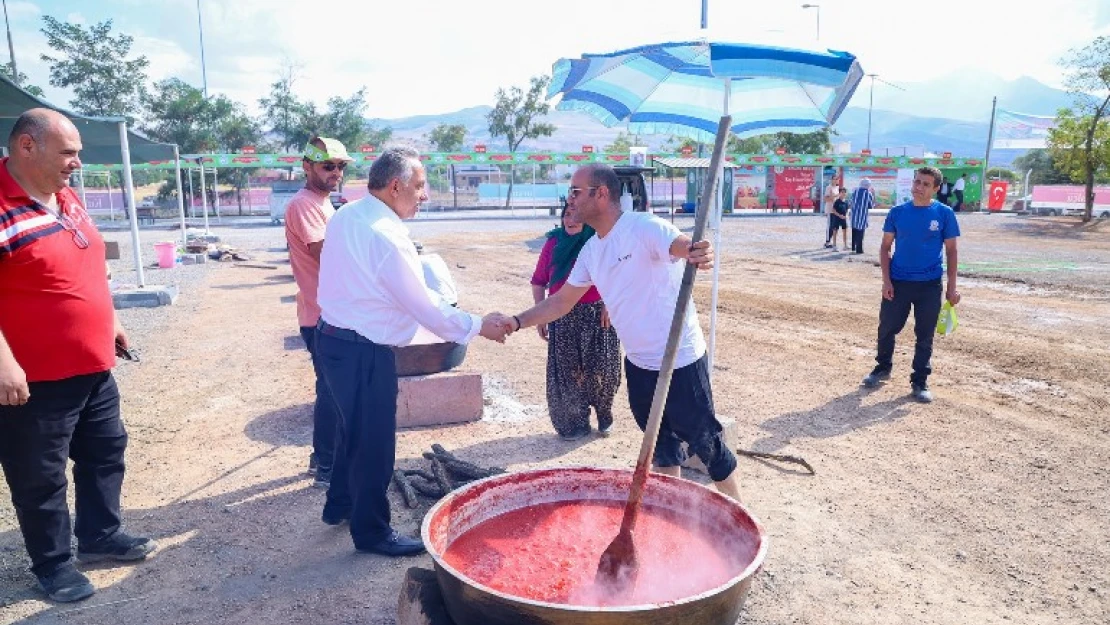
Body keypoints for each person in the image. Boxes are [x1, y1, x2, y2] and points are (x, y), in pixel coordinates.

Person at [502, 164, 743, 502]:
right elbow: (561, 302)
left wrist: (696, 251)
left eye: (575, 192)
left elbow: (679, 245)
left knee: (706, 442)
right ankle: (670, 508)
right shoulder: (592, 249)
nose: (569, 200)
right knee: (659, 444)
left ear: (601, 194)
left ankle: (741, 516)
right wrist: (516, 321)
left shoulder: (644, 227)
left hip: (680, 360)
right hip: (640, 363)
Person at [315, 146, 510, 556]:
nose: (425, 195)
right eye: (420, 187)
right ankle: (372, 533)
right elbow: (423, 307)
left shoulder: (349, 213)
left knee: (351, 429)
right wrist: (477, 326)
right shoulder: (387, 236)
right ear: (395, 186)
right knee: (374, 445)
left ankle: (340, 505)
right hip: (362, 350)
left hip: (332, 339)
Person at [0, 109, 155, 603]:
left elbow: (85, 269)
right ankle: (53, 566)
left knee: (104, 454)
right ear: (27, 146)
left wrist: (109, 321)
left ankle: (99, 536)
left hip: (93, 367)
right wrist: (3, 362)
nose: (77, 162)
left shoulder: (64, 196)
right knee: (40, 477)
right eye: (68, 152)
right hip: (33, 379)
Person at [861, 166, 961, 403]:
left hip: (929, 284)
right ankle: (882, 368)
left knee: (924, 334)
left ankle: (919, 381)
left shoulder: (944, 214)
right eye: (917, 182)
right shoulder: (897, 212)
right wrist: (886, 280)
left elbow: (952, 251)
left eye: (926, 184)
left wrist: (951, 287)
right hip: (898, 282)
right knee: (887, 328)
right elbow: (885, 248)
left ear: (936, 189)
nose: (919, 187)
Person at [284, 136, 350, 489]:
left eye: (341, 166)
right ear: (307, 166)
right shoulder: (305, 205)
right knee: (332, 391)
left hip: (327, 311)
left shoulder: (322, 203)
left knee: (332, 388)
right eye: (328, 166)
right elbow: (326, 253)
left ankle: (322, 459)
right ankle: (326, 464)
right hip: (321, 314)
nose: (336, 172)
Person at [530, 203, 621, 441]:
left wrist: (608, 303)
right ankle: (574, 424)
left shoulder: (598, 242)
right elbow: (539, 281)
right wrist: (541, 314)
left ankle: (604, 413)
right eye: (566, 215)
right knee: (568, 374)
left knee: (604, 370)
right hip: (561, 315)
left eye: (575, 214)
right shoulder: (553, 244)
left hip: (597, 315)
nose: (570, 220)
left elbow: (616, 276)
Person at [849, 178, 876, 254]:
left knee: (854, 230)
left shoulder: (855, 191)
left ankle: (853, 247)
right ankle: (859, 249)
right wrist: (873, 195)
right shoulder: (868, 193)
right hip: (862, 216)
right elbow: (870, 206)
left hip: (854, 215)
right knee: (860, 232)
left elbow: (850, 202)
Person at [822, 175, 841, 248]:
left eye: (837, 179)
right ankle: (827, 242)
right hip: (830, 209)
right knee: (830, 226)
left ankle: (832, 241)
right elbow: (826, 199)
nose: (836, 180)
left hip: (836, 210)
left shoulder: (838, 188)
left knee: (835, 226)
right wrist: (834, 196)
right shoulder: (828, 187)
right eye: (834, 179)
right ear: (832, 180)